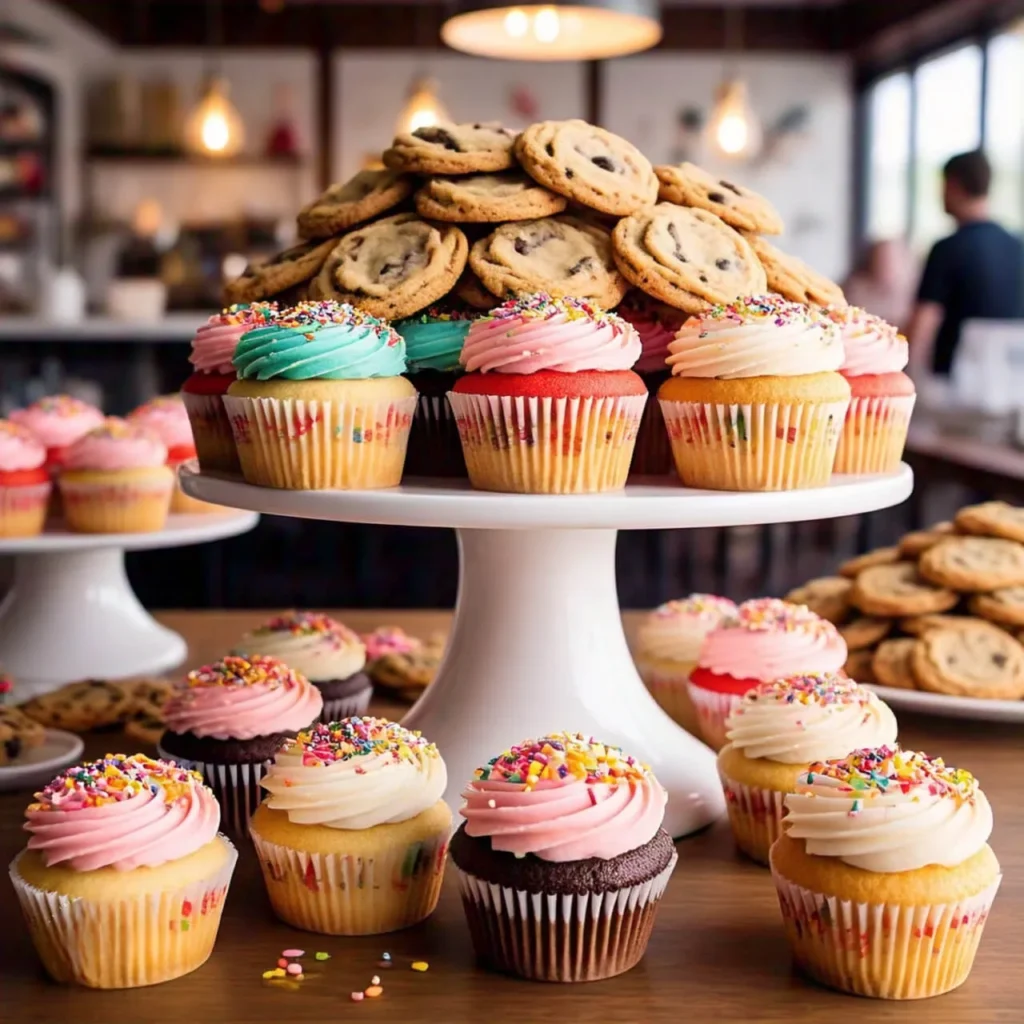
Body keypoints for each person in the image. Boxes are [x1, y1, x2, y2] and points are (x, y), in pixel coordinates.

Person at [908, 150, 1024, 376]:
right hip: (1014, 386)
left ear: (953, 185)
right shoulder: (1018, 246)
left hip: (954, 386)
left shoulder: (947, 249)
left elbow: (922, 323)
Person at [843, 238, 917, 329]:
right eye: (882, 259)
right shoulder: (853, 288)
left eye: (893, 260)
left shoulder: (913, 292)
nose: (887, 266)